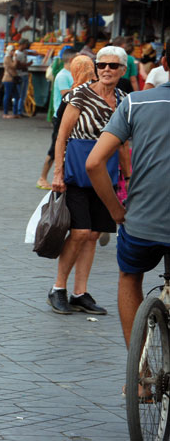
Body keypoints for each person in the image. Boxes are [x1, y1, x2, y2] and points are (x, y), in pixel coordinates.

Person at [85, 48, 170, 358]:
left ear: (163, 64)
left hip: (141, 223)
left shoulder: (134, 103)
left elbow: (94, 163)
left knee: (130, 275)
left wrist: (115, 211)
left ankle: (141, 368)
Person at [48, 46, 130, 315]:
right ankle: (58, 288)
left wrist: (127, 178)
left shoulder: (123, 99)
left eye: (113, 66)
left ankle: (79, 292)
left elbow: (123, 145)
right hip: (77, 170)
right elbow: (62, 136)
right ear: (96, 68)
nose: (107, 69)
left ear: (123, 70)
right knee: (80, 231)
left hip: (107, 175)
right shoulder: (79, 95)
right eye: (102, 64)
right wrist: (57, 172)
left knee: (94, 234)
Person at [36, 47, 76, 190]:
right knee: (55, 148)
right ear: (71, 60)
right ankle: (42, 177)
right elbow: (67, 95)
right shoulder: (63, 75)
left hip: (69, 116)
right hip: (60, 117)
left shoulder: (71, 74)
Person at [14, 39, 32, 118]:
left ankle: (19, 110)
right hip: (22, 75)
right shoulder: (18, 54)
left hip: (22, 75)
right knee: (22, 94)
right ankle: (19, 111)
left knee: (21, 94)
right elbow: (17, 66)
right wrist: (27, 64)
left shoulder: (22, 53)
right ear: (23, 44)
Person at [1, 44, 19, 119]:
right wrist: (15, 58)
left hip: (11, 79)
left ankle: (14, 112)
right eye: (12, 51)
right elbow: (13, 66)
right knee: (8, 95)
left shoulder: (8, 57)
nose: (13, 52)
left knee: (15, 96)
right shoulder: (7, 58)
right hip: (8, 79)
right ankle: (5, 113)